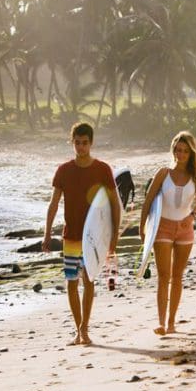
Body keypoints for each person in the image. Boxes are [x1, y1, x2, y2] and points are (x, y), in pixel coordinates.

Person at [42, 122, 121, 346]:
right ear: (72, 142)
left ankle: (84, 329)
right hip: (71, 237)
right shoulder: (64, 170)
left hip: (95, 237)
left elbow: (114, 204)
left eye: (85, 143)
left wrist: (114, 236)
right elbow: (54, 204)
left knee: (89, 280)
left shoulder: (103, 169)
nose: (81, 147)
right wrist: (47, 234)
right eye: (77, 143)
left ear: (91, 143)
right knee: (71, 282)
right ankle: (78, 329)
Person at [139, 131, 196, 335]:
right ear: (173, 151)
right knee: (163, 276)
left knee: (177, 277)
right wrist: (143, 230)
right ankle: (161, 322)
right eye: (178, 150)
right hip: (163, 227)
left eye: (185, 151)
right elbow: (149, 201)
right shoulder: (163, 173)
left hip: (185, 229)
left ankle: (171, 322)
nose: (181, 154)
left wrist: (192, 216)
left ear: (191, 153)